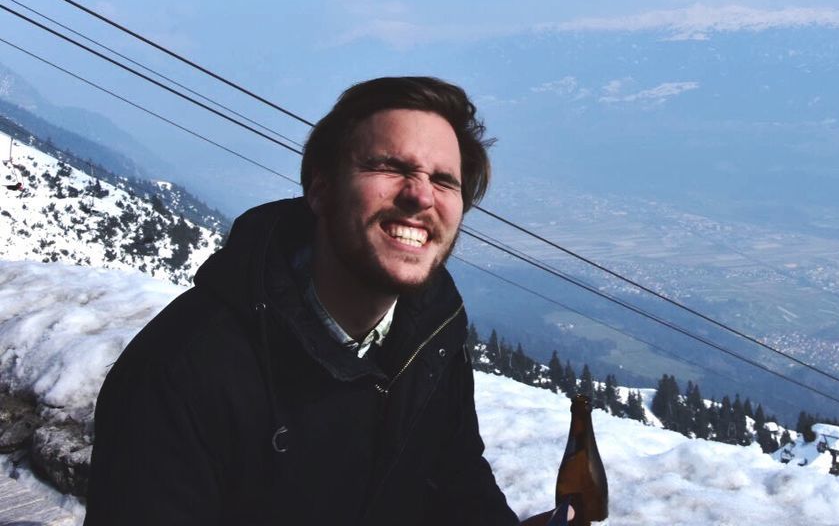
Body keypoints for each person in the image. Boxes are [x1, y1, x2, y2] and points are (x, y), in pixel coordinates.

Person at [86, 76, 559, 526]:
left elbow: (457, 479)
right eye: (390, 167)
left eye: (444, 181)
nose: (420, 195)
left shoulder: (431, 336)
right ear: (320, 189)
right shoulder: (182, 371)